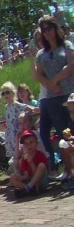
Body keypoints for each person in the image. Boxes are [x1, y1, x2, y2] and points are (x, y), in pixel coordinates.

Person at [33, 16, 74, 167]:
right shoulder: (41, 54)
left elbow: (71, 65)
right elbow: (39, 74)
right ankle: (69, 171)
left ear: (55, 28)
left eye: (49, 28)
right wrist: (50, 86)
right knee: (63, 135)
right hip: (52, 98)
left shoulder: (66, 45)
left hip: (70, 94)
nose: (47, 32)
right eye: (43, 30)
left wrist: (55, 80)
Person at [0, 82, 34, 167]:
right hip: (10, 133)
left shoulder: (16, 104)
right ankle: (17, 168)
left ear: (13, 93)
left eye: (7, 92)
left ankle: (25, 167)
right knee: (14, 154)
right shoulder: (6, 107)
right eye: (3, 93)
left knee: (21, 151)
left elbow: (30, 109)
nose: (5, 95)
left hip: (17, 132)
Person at [9, 130, 48, 198]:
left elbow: (36, 174)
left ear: (36, 143)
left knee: (41, 165)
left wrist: (31, 163)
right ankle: (29, 189)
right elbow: (26, 176)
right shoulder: (25, 158)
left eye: (31, 142)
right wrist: (20, 177)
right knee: (12, 176)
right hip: (30, 182)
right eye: (26, 143)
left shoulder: (40, 155)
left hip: (40, 182)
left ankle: (27, 188)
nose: (29, 145)